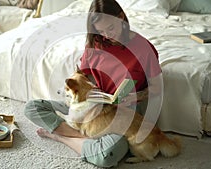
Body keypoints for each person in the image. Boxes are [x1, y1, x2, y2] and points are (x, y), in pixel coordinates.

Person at [24, 0, 162, 167]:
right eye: (100, 31)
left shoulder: (144, 49)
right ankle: (87, 138)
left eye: (110, 28)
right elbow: (84, 76)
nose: (106, 36)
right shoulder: (95, 42)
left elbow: (156, 88)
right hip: (88, 106)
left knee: (105, 156)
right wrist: (83, 89)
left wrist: (136, 95)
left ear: (121, 18)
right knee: (32, 108)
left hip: (120, 116)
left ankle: (61, 136)